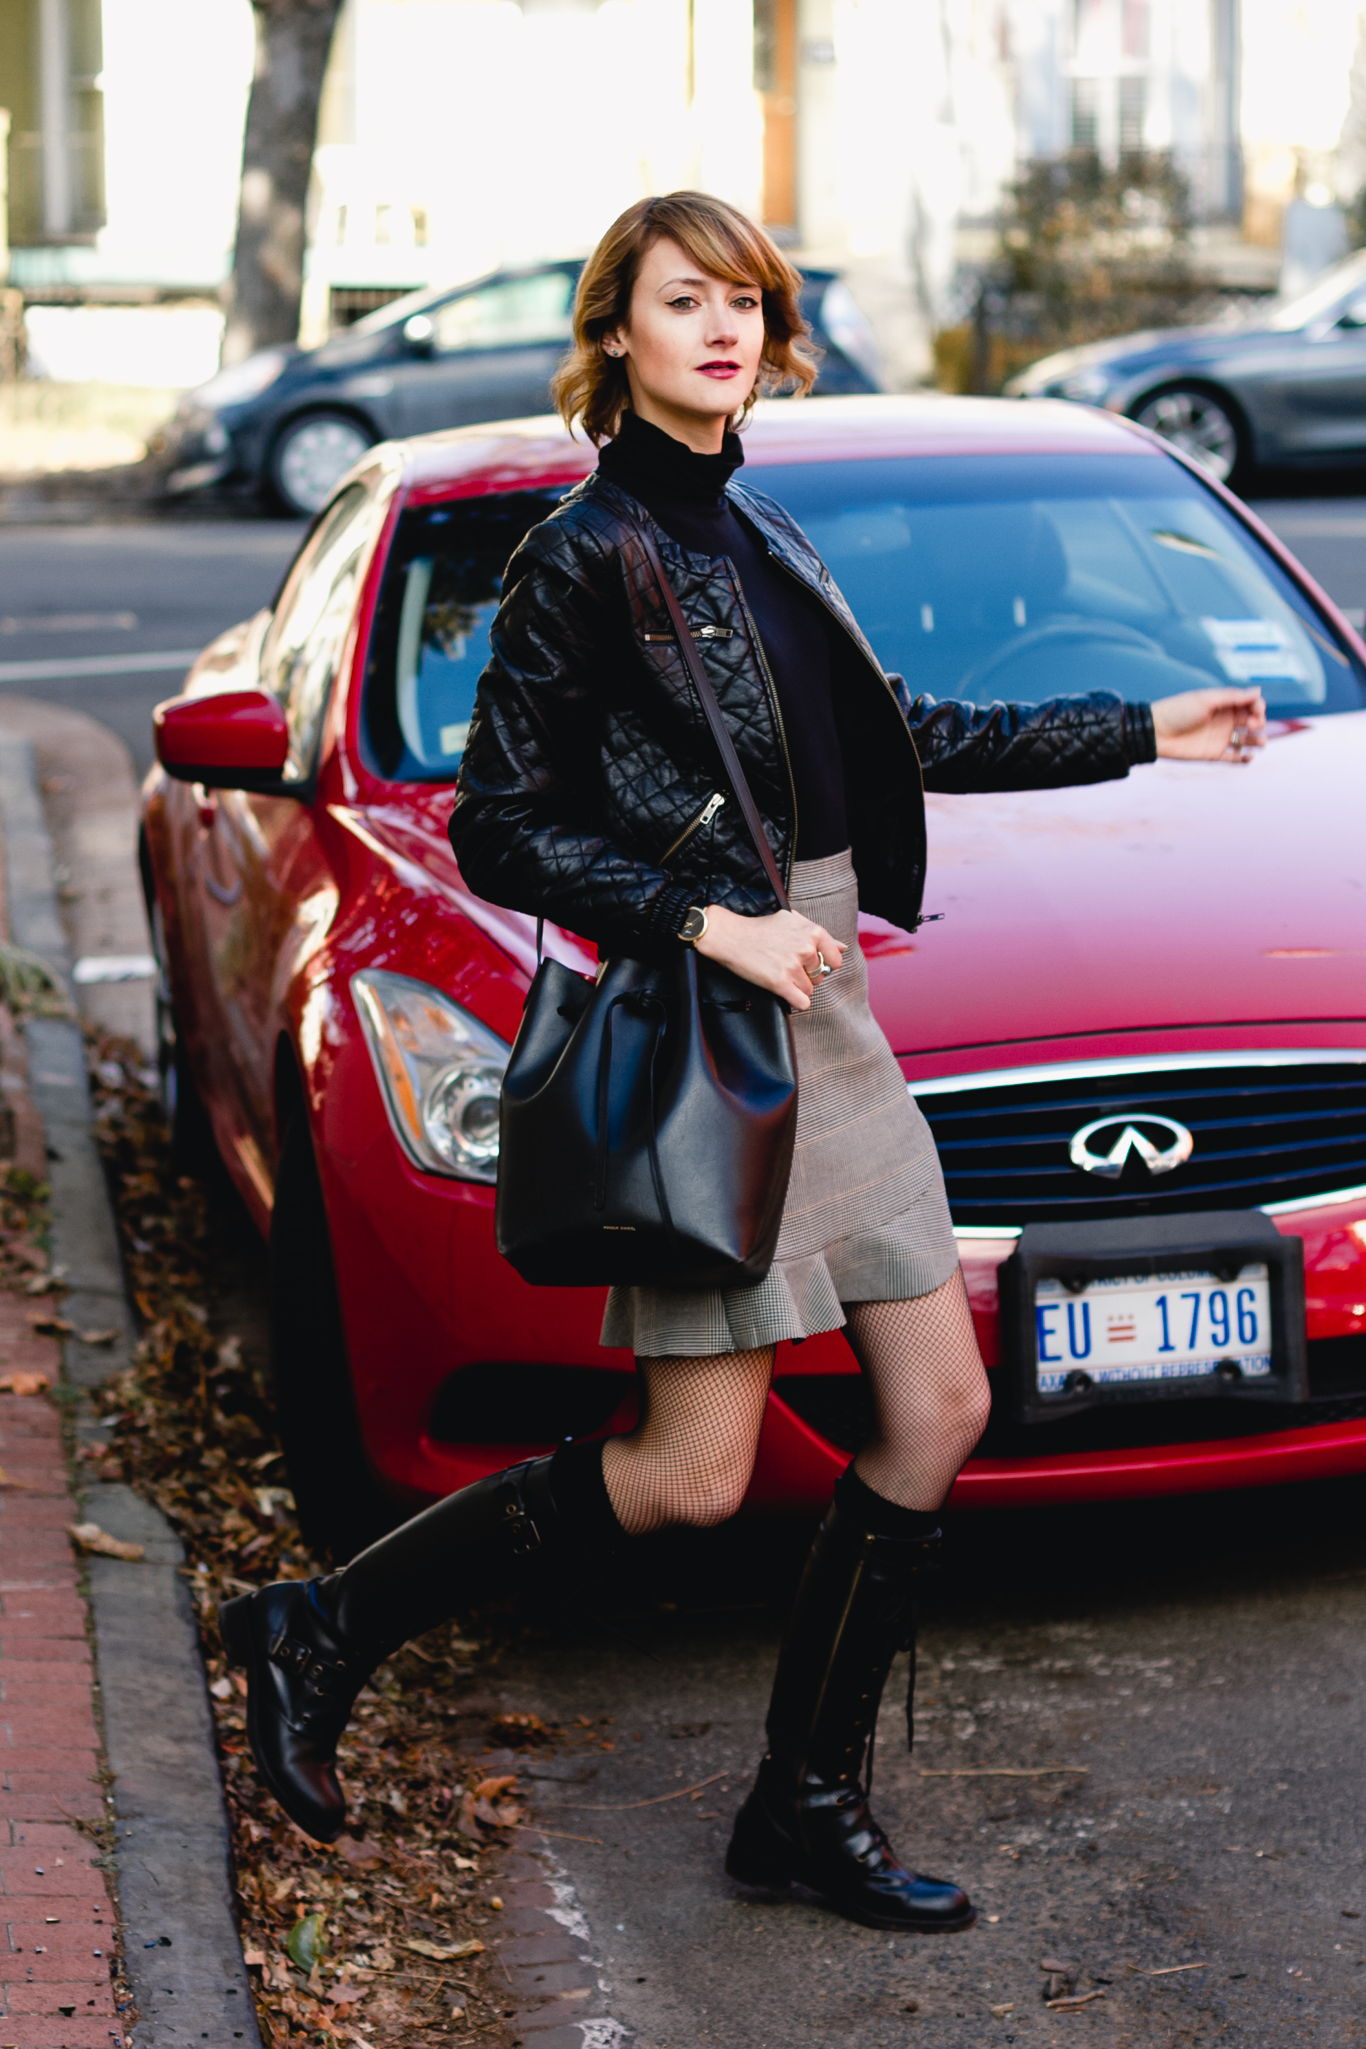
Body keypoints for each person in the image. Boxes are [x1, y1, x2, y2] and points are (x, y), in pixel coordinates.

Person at [222, 191, 1265, 1935]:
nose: (718, 327)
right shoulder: (584, 549)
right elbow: (498, 823)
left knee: (936, 1408)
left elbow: (905, 742)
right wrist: (708, 926)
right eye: (679, 299)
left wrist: (1143, 725)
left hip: (827, 1003)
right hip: (728, 1022)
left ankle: (802, 1799)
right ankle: (324, 1622)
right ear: (614, 333)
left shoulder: (760, 528)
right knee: (690, 1472)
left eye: (743, 302)